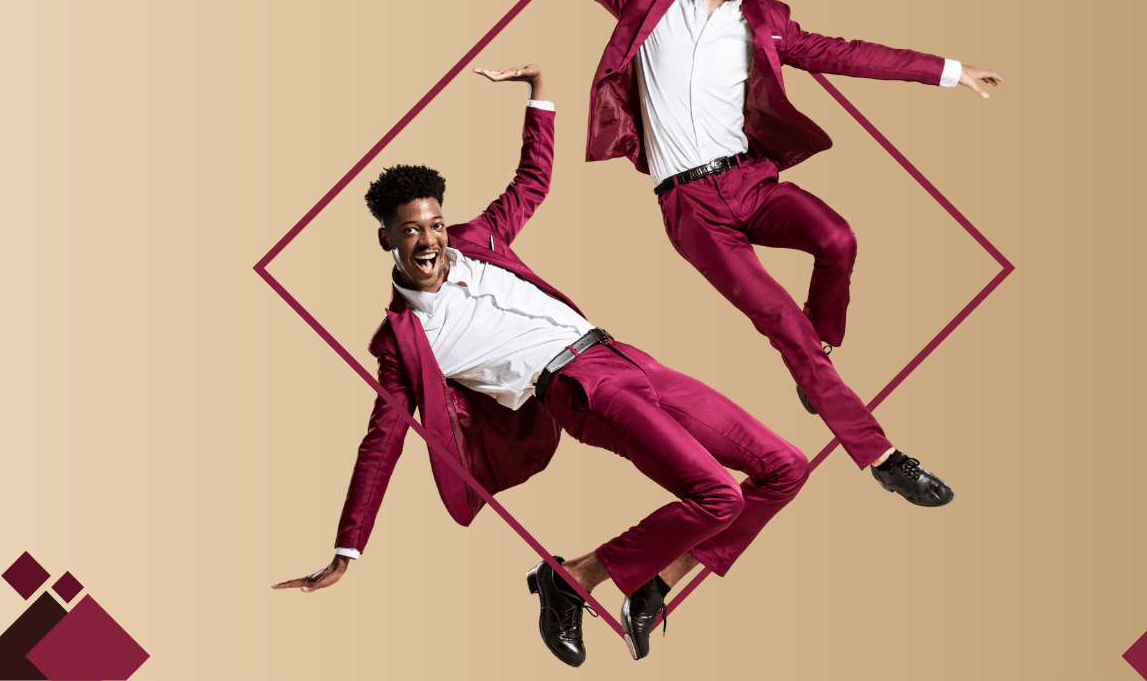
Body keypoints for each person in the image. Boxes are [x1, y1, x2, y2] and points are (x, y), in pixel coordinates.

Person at [475, 0, 1005, 503]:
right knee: (781, 320)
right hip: (690, 210)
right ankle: (881, 455)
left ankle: (820, 354)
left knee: (837, 239)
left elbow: (847, 53)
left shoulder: (767, 22)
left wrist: (947, 71)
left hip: (750, 182)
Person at [272, 65, 811, 665]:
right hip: (578, 390)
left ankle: (651, 580)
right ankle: (573, 577)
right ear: (386, 241)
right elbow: (381, 443)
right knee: (718, 496)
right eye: (410, 232)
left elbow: (530, 182)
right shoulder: (403, 337)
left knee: (786, 466)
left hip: (628, 356)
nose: (429, 241)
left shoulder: (480, 239)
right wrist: (349, 549)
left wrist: (540, 93)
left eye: (435, 224)